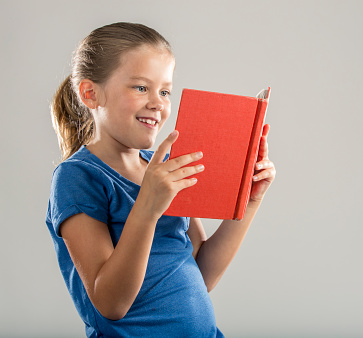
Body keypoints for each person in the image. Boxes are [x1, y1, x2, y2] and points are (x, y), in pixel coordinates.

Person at [45, 22, 275, 338]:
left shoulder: (164, 167)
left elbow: (201, 272)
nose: (158, 102)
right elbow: (110, 303)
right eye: (141, 87)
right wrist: (148, 209)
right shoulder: (77, 177)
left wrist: (249, 200)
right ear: (91, 93)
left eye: (165, 90)